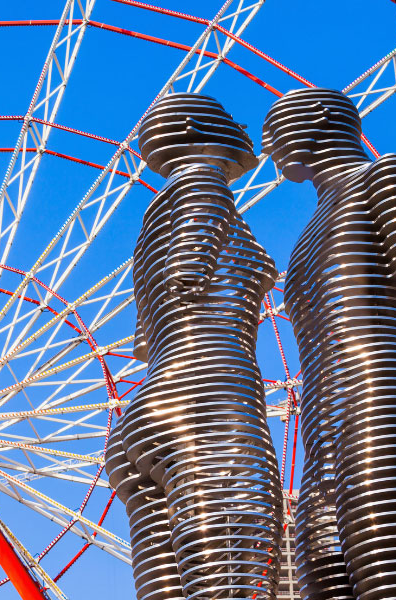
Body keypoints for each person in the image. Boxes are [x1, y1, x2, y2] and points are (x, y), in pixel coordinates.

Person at [262, 88, 396, 600]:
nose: (266, 142)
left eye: (278, 125)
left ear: (322, 117)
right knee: (320, 580)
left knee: (395, 579)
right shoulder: (303, 237)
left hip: (380, 392)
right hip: (322, 425)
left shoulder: (386, 174)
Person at [105, 92, 283, 600]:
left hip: (143, 414)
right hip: (208, 401)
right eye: (229, 117)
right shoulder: (205, 188)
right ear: (191, 127)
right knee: (242, 564)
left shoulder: (150, 221)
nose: (244, 129)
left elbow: (144, 338)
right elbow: (189, 270)